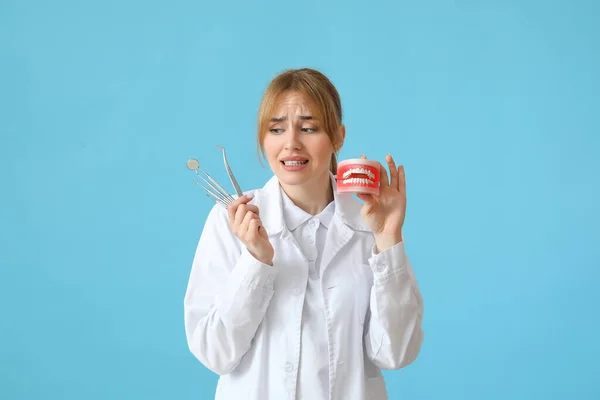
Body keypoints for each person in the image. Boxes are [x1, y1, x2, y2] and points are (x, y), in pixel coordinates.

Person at [183, 68, 424, 400]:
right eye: (276, 129)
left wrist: (388, 240)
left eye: (309, 128)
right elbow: (215, 353)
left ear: (338, 137)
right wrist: (256, 261)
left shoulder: (371, 223)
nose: (291, 143)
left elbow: (395, 353)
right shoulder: (230, 222)